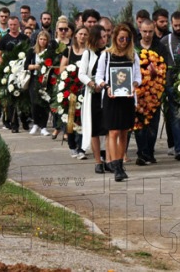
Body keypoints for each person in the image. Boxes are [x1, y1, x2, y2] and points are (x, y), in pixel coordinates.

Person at [96, 23, 142, 182]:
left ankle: (121, 164)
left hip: (127, 98)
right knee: (113, 131)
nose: (123, 41)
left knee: (124, 132)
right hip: (112, 98)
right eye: (121, 38)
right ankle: (115, 165)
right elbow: (99, 77)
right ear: (115, 38)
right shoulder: (106, 55)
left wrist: (134, 85)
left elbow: (138, 77)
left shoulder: (133, 55)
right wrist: (107, 87)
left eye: (127, 39)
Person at [134, 19, 168, 166]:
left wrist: (157, 74)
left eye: (150, 31)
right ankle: (142, 152)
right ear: (140, 30)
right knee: (139, 123)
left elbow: (166, 68)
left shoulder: (160, 47)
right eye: (145, 31)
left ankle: (150, 152)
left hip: (155, 92)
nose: (147, 34)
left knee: (152, 125)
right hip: (139, 92)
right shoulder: (134, 47)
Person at [79, 25, 109, 174]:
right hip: (94, 94)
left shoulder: (109, 52)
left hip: (107, 92)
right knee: (95, 129)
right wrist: (92, 83)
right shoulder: (88, 54)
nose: (104, 40)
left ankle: (109, 159)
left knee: (108, 128)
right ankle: (98, 161)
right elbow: (81, 74)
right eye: (101, 37)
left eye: (106, 36)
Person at [162, 11, 180, 160]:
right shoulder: (165, 40)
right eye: (175, 25)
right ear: (171, 24)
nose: (178, 28)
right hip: (172, 84)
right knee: (176, 117)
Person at [0, 16, 30, 132]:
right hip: (10, 71)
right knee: (11, 97)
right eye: (10, 25)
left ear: (18, 25)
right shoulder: (4, 39)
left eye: (15, 25)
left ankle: (25, 121)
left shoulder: (24, 38)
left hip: (22, 70)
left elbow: (30, 52)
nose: (12, 27)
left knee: (24, 96)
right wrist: (4, 65)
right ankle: (14, 124)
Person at [60, 25, 89, 157]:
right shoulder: (69, 50)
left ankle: (82, 146)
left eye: (85, 34)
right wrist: (71, 70)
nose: (82, 37)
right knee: (71, 118)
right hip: (71, 88)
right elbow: (61, 69)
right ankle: (72, 145)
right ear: (75, 35)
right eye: (80, 34)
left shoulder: (89, 51)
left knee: (83, 118)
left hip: (84, 88)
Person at [25, 30, 52, 137]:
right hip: (34, 79)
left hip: (46, 80)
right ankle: (35, 123)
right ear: (37, 40)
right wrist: (34, 66)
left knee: (44, 103)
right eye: (41, 39)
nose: (42, 41)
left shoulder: (49, 52)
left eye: (45, 39)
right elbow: (26, 65)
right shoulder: (32, 51)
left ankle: (43, 126)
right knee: (34, 102)